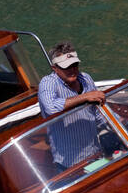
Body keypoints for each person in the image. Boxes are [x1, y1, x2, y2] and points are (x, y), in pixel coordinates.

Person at [37, 42, 108, 171]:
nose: (72, 70)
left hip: (95, 153)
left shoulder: (86, 78)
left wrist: (121, 125)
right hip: (69, 163)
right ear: (55, 68)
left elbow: (99, 113)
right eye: (67, 67)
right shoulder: (48, 83)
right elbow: (51, 108)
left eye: (75, 65)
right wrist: (84, 97)